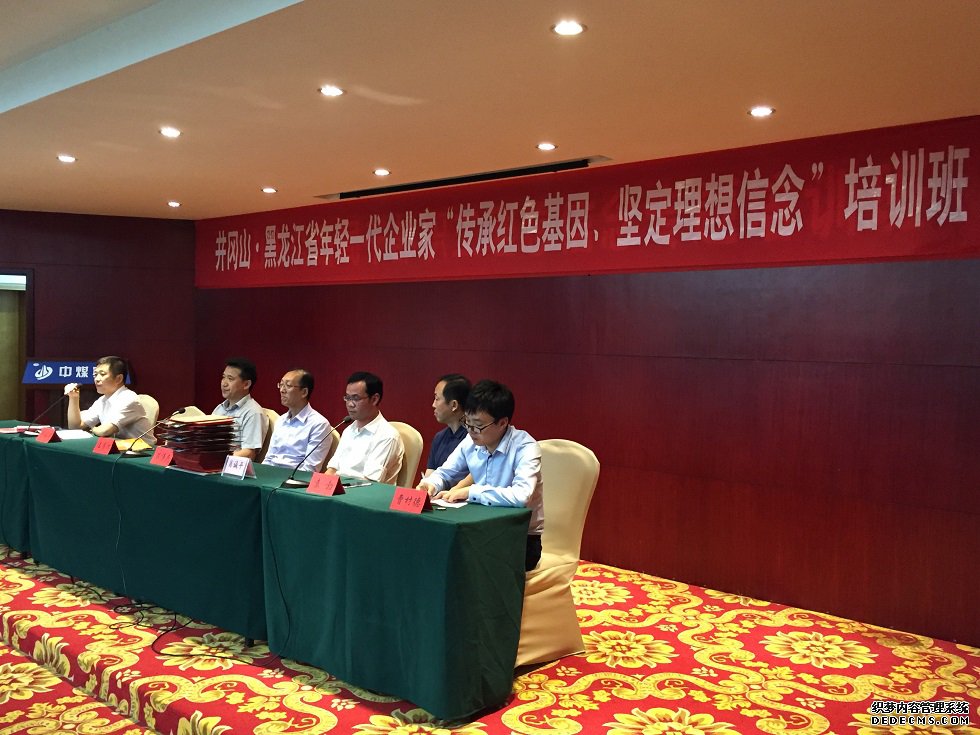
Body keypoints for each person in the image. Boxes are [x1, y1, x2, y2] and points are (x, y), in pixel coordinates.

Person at [419, 379, 543, 571]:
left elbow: (521, 496)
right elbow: (445, 472)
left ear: (502, 423)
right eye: (467, 423)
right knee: (429, 550)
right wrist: (431, 484)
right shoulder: (471, 441)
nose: (470, 431)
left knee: (457, 564)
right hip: (479, 532)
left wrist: (471, 492)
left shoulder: (525, 447)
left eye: (477, 425)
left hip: (519, 539)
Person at [324, 371, 404, 484]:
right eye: (347, 398)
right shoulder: (349, 430)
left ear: (374, 399)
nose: (350, 404)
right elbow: (332, 469)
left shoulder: (387, 436)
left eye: (356, 398)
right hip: (339, 489)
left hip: (366, 492)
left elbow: (370, 482)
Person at [66, 355, 152, 440]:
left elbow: (105, 431)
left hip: (142, 448)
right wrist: (73, 398)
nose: (96, 379)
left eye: (102, 374)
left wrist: (92, 429)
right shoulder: (102, 400)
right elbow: (75, 426)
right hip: (117, 445)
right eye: (95, 374)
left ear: (119, 379)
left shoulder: (129, 399)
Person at [262, 369, 331, 471]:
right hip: (271, 474)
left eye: (288, 385)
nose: (282, 390)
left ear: (304, 392)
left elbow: (309, 469)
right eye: (281, 385)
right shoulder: (280, 420)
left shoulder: (319, 424)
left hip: (295, 478)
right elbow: (269, 458)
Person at [213, 357, 269, 460]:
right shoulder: (219, 409)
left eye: (230, 379)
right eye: (223, 377)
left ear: (246, 384)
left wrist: (217, 459)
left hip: (230, 466)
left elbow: (249, 453)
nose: (224, 383)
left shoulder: (253, 412)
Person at [423, 374, 471, 477]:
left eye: (437, 399)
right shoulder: (439, 438)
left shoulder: (473, 438)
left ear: (454, 405)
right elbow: (429, 475)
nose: (433, 405)